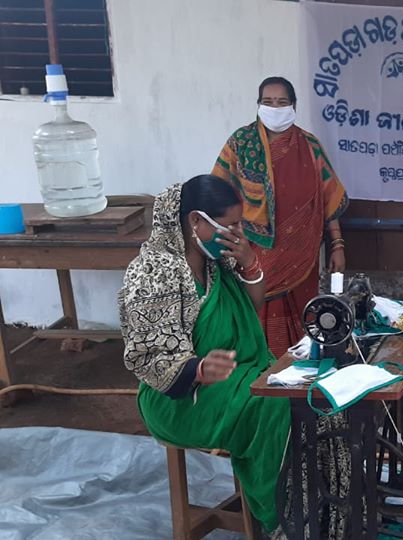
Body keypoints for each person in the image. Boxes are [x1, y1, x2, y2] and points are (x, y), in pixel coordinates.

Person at [119, 176, 350, 538]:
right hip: (179, 398)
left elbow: (250, 305)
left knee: (316, 398)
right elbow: (148, 356)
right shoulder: (154, 273)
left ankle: (327, 515)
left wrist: (249, 263)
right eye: (230, 226)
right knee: (279, 406)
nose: (238, 232)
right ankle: (287, 520)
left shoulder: (215, 263)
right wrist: (197, 368)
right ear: (196, 221)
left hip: (234, 377)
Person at [212, 76, 349, 358]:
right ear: (259, 104)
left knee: (305, 323)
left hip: (301, 257)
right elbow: (217, 194)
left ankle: (299, 378)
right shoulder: (240, 144)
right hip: (253, 255)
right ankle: (258, 374)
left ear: (293, 106)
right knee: (257, 316)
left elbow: (329, 200)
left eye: (282, 102)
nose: (275, 107)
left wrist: (337, 245)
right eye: (268, 102)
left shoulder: (310, 147)